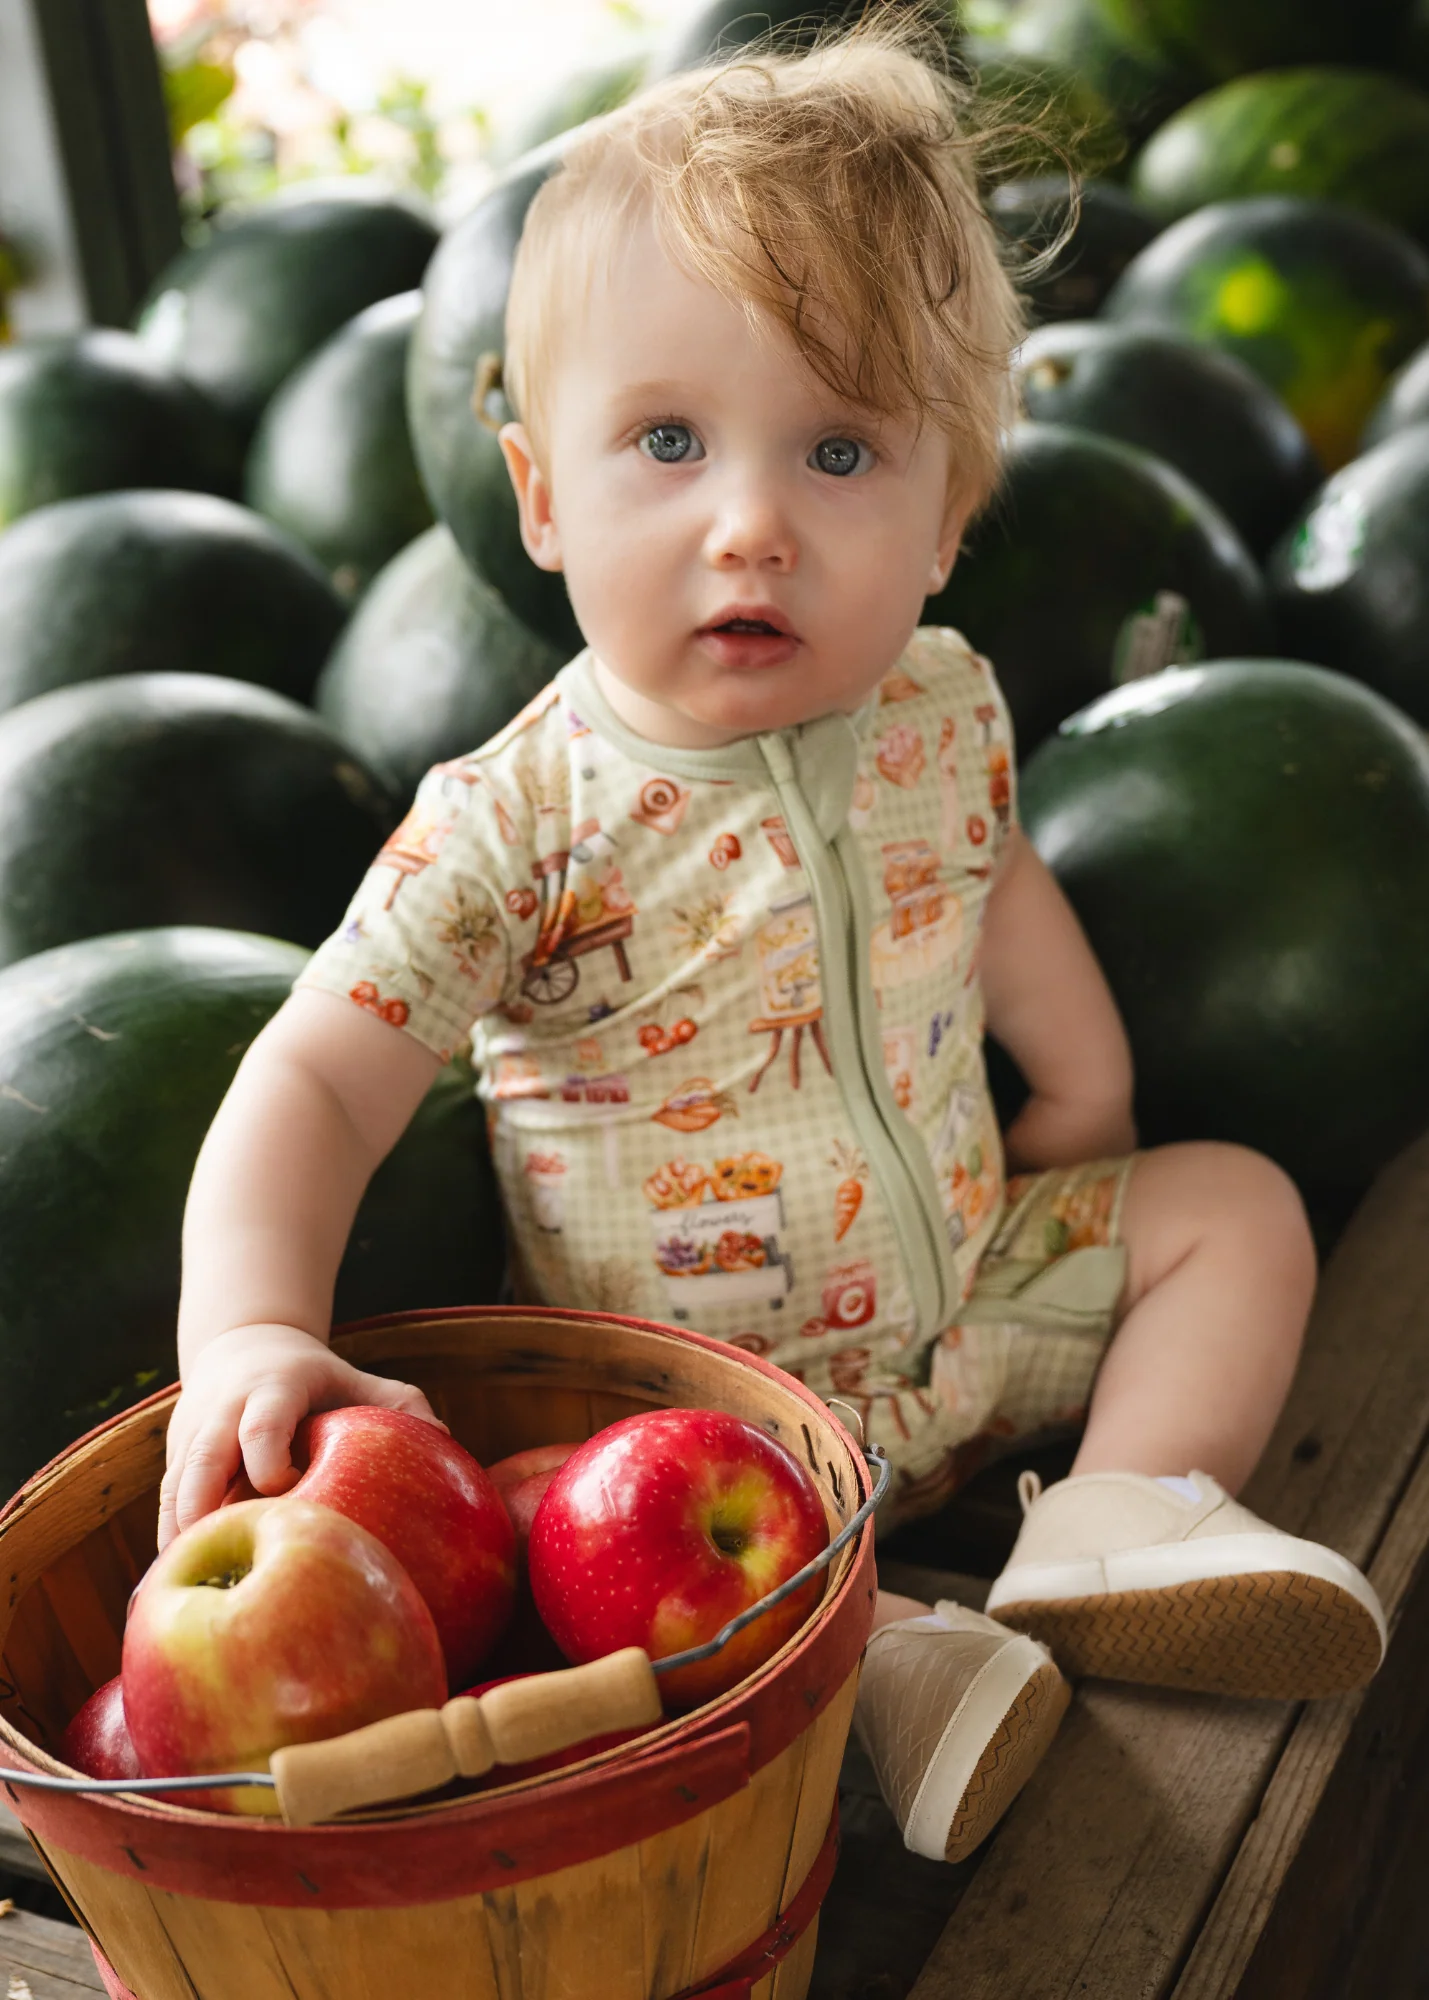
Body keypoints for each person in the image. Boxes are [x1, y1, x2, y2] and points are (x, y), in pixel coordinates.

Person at [161, 4, 1386, 1867]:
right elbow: (319, 1080)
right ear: (541, 498)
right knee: (582, 1549)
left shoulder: (939, 704)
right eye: (669, 441)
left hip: (970, 1297)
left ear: (951, 509)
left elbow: (993, 882)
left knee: (1241, 1214)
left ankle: (1114, 1521)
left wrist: (1085, 1085)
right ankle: (891, 1668)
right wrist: (250, 1328)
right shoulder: (515, 822)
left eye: (839, 452)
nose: (751, 525)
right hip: (691, 1429)